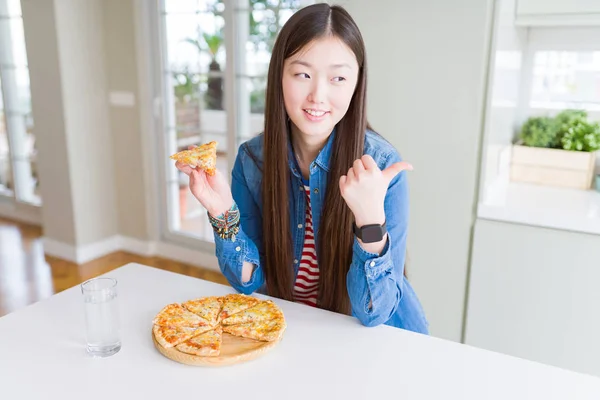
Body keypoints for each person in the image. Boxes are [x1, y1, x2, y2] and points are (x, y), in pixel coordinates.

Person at [176, 3, 429, 334]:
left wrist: (369, 223)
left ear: (356, 84)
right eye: (302, 74)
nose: (318, 96)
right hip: (291, 334)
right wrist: (223, 212)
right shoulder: (253, 161)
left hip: (373, 341)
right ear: (279, 75)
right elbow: (249, 282)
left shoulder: (381, 168)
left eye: (338, 77)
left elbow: (374, 313)